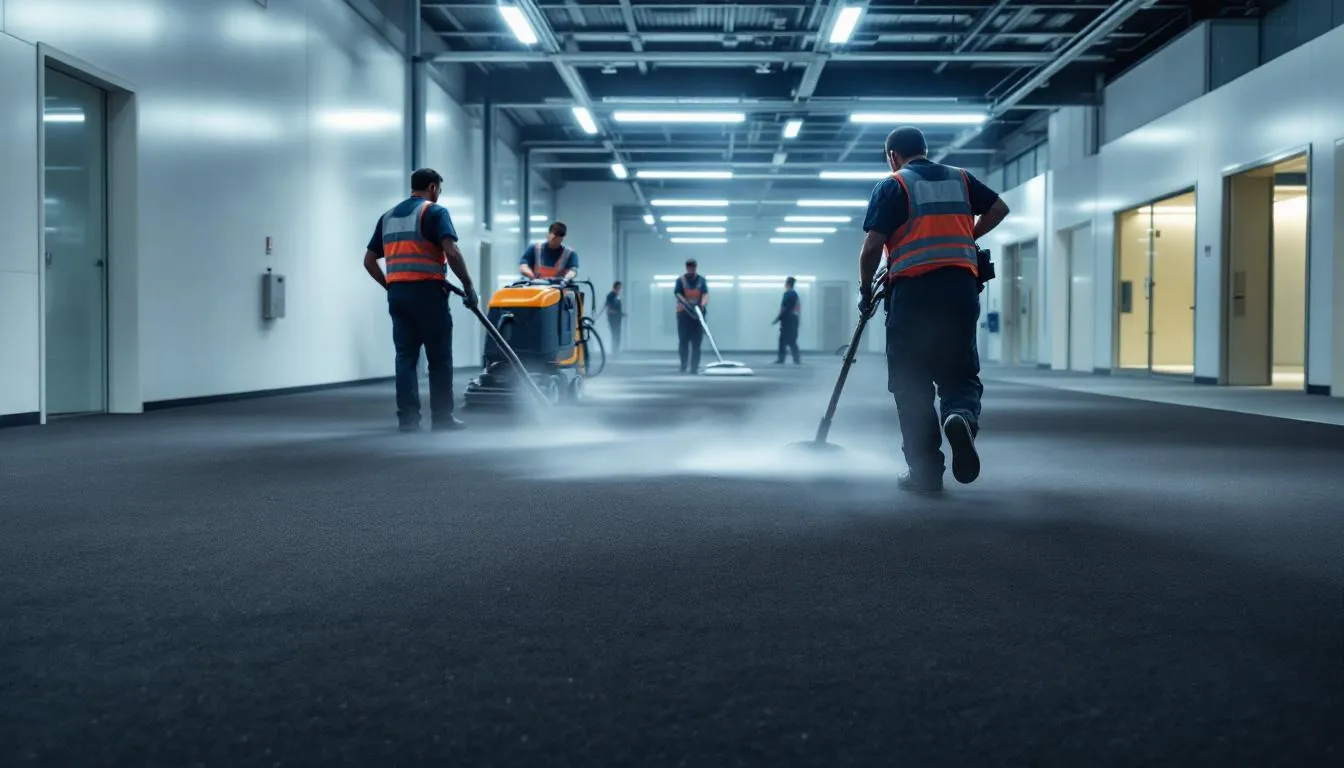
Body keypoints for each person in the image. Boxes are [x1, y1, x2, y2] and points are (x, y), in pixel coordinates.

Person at [858, 126, 1009, 492]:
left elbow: (871, 249)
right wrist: (966, 236)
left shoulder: (894, 184)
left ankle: (925, 473)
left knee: (912, 385)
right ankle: (959, 416)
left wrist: (865, 293)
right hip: (959, 290)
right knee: (959, 373)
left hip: (912, 295)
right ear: (925, 150)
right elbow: (999, 208)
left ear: (893, 155)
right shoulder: (960, 179)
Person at [363, 167, 479, 433]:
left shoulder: (388, 217)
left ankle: (408, 419)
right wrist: (469, 286)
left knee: (405, 357)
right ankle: (442, 419)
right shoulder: (435, 212)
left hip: (399, 296)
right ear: (433, 187)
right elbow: (452, 252)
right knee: (439, 358)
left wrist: (390, 286)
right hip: (428, 294)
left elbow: (369, 261)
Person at [673, 259, 709, 374]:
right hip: (683, 315)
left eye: (693, 267)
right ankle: (683, 365)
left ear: (695, 268)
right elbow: (678, 294)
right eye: (689, 267)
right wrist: (687, 304)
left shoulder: (701, 280)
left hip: (698, 316)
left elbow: (705, 294)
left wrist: (702, 305)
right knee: (683, 341)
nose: (691, 269)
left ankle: (694, 367)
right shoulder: (680, 280)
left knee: (696, 342)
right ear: (686, 268)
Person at [772, 276, 801, 365]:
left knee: (785, 340)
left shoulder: (788, 294)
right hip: (793, 319)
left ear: (788, 284)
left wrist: (778, 318)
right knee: (790, 340)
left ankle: (782, 359)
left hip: (788, 319)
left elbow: (784, 308)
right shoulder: (795, 294)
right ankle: (796, 359)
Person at [604, 281, 624, 353]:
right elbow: (609, 309)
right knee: (615, 335)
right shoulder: (611, 295)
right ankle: (614, 352)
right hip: (613, 319)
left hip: (617, 319)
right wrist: (619, 313)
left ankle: (616, 351)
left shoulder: (616, 296)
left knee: (617, 335)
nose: (620, 289)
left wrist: (620, 314)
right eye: (619, 287)